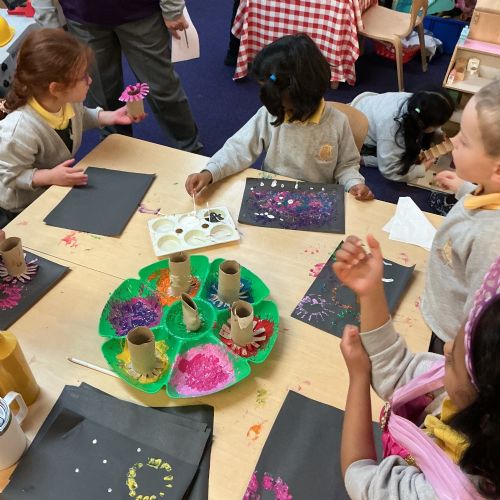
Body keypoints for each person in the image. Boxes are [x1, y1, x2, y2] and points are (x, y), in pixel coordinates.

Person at [334, 234, 500, 499]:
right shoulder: (475, 396)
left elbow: (360, 475)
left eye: (453, 360)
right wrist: (370, 292)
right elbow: (398, 370)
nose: (445, 348)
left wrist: (358, 378)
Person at [186, 34, 374, 201]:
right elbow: (239, 148)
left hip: (316, 201)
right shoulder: (269, 113)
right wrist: (210, 172)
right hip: (273, 195)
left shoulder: (337, 123)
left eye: (284, 108)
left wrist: (354, 183)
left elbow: (346, 166)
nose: (276, 111)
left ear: (304, 96)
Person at [0, 29, 145, 228]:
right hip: (23, 206)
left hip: (52, 187)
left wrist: (109, 116)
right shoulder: (19, 131)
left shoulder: (67, 101)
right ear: (55, 88)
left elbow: (79, 117)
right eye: (82, 77)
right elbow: (9, 176)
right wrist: (48, 176)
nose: (90, 80)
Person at [32, 0, 202, 153]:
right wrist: (49, 22)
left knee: (161, 87)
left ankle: (189, 149)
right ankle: (118, 151)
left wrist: (172, 8)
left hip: (141, 13)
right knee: (101, 95)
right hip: (83, 17)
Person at [420, 80, 500, 354]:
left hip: (450, 335)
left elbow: (478, 317)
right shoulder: (489, 189)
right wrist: (465, 188)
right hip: (443, 303)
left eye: (463, 140)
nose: (452, 142)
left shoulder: (490, 242)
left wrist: (455, 356)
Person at [351, 88, 455, 182]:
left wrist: (437, 135)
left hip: (364, 105)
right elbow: (390, 170)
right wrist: (421, 169)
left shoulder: (419, 104)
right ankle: (362, 158)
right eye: (437, 126)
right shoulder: (392, 130)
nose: (439, 128)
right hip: (356, 134)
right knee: (402, 160)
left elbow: (430, 118)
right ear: (424, 124)